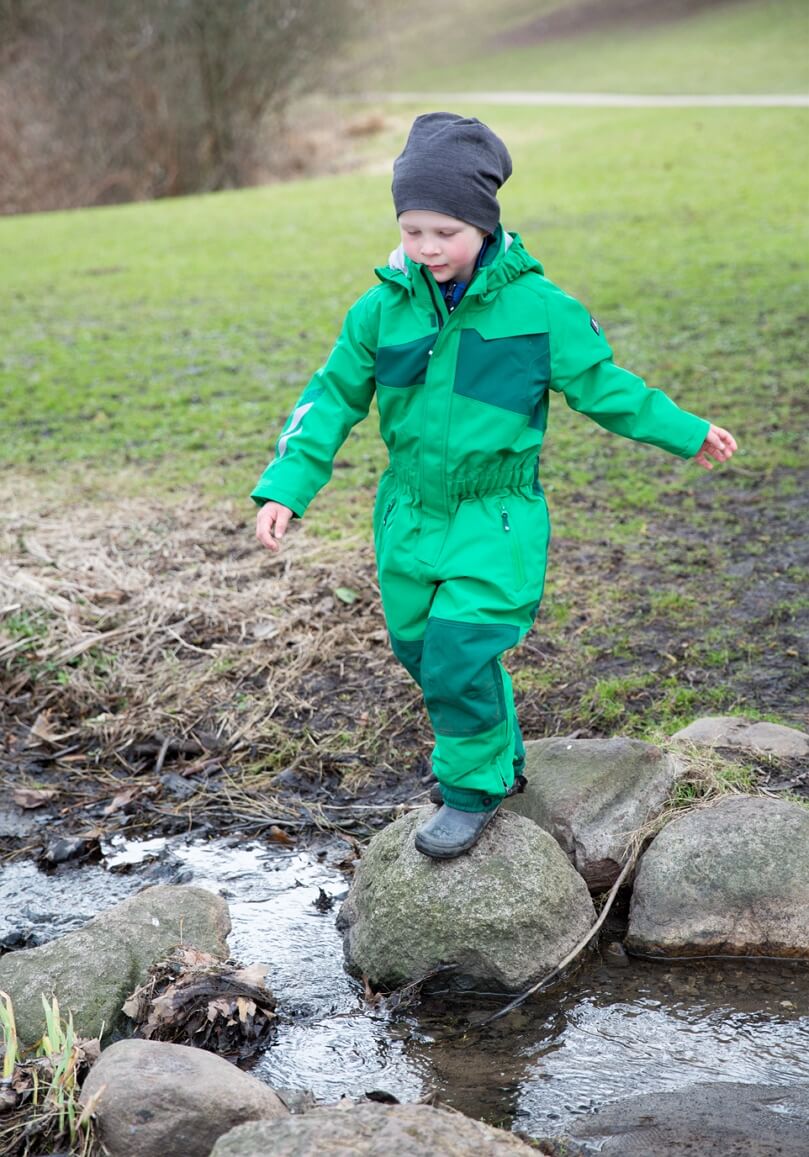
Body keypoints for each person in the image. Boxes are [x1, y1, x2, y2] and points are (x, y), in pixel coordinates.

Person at [252, 112, 737, 860]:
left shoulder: (537, 308)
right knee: (421, 652)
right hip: (408, 518)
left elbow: (606, 385)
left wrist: (683, 429)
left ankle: (472, 789)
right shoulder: (381, 309)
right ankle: (496, 747)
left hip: (495, 517)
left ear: (481, 222)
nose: (425, 248)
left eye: (442, 231)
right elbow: (329, 399)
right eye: (412, 230)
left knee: (456, 654)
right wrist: (286, 486)